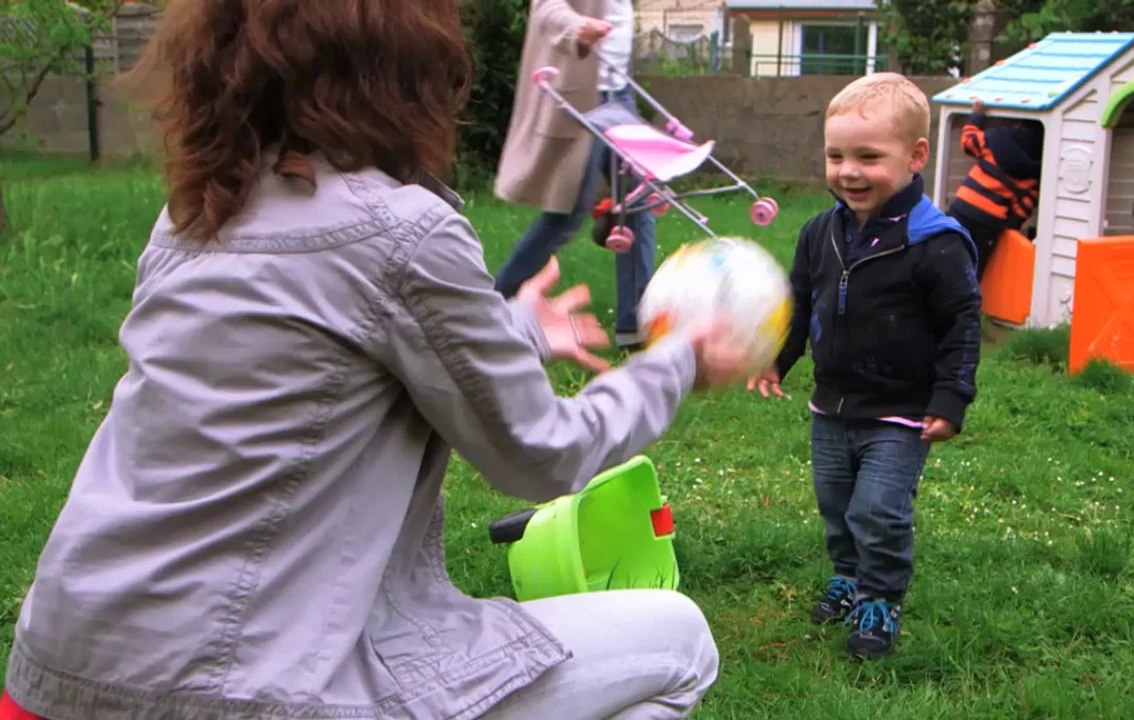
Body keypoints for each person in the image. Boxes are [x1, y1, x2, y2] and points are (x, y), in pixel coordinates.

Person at [1, 2, 752, 719]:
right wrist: (676, 360)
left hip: (66, 666)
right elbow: (544, 456)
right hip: (244, 689)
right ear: (407, 65)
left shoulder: (197, 214)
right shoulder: (400, 230)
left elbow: (313, 351)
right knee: (679, 641)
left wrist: (511, 332)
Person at [745, 73, 982, 661]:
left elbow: (962, 325)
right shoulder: (818, 233)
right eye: (836, 155)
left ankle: (880, 597)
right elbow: (800, 303)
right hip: (832, 406)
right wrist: (778, 357)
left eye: (868, 157)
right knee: (836, 503)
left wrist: (950, 398)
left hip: (901, 411)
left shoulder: (937, 243)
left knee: (877, 509)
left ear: (916, 155)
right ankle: (847, 576)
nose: (849, 171)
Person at [493, 0, 655, 351]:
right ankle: (493, 304)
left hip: (618, 90)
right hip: (583, 94)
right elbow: (546, 7)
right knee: (567, 214)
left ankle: (635, 325)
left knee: (639, 198)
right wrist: (577, 27)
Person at [947, 98, 1044, 280]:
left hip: (963, 207)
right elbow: (1020, 212)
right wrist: (1004, 227)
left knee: (944, 252)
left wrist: (977, 115)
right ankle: (965, 303)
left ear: (1017, 126)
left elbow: (968, 141)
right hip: (989, 223)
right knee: (974, 266)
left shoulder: (995, 140)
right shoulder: (1032, 177)